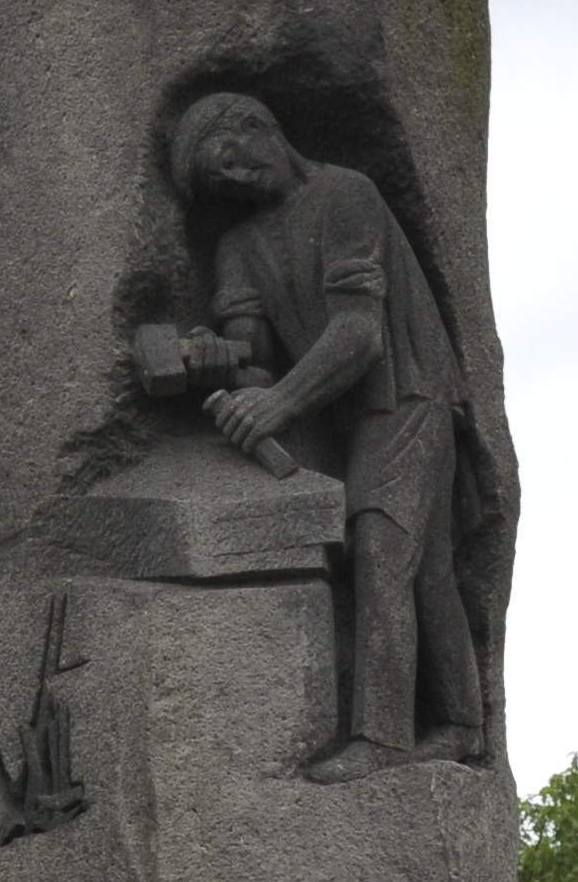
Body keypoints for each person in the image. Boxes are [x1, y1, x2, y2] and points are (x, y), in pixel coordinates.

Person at [164, 92, 483, 782]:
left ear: (261, 128)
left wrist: (276, 404)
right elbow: (256, 356)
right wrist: (214, 359)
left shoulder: (346, 194)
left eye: (231, 160)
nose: (235, 180)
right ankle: (459, 721)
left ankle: (385, 736)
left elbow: (360, 333)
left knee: (380, 547)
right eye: (218, 182)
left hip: (409, 391)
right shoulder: (239, 246)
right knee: (422, 564)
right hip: (346, 414)